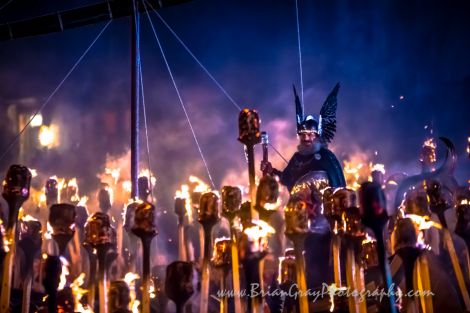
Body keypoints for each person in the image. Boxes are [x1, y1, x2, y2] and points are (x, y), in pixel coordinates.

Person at [261, 83, 346, 191]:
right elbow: (286, 179)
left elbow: (338, 186)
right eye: (303, 135)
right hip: (300, 206)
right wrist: (271, 171)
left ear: (316, 136)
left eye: (310, 135)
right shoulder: (297, 158)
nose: (306, 138)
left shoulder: (326, 157)